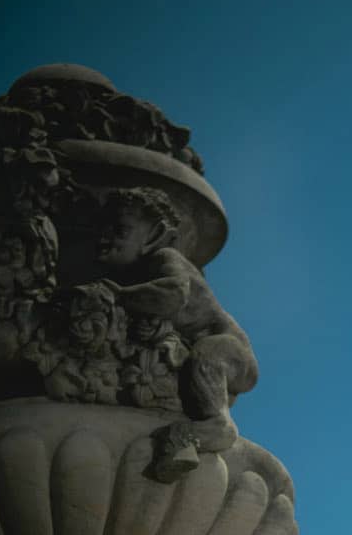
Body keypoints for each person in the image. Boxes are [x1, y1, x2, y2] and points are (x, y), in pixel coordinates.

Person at [96, 187, 259, 480]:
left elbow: (174, 294)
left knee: (205, 356)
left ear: (154, 236)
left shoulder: (165, 257)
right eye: (103, 228)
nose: (105, 237)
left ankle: (215, 426)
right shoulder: (144, 271)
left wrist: (119, 294)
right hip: (219, 353)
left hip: (231, 351)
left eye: (120, 229)